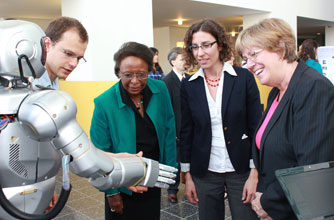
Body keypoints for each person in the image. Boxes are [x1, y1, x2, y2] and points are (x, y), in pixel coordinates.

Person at [235, 18, 334, 220]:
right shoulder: (276, 92)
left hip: (302, 210)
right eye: (245, 58)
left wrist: (267, 202)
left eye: (254, 54)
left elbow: (310, 166)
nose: (249, 65)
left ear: (280, 47)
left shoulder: (313, 88)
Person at [180, 19, 262, 220]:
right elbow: (186, 131)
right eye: (195, 47)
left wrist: (255, 172)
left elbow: (256, 128)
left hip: (241, 168)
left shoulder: (243, 78)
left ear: (221, 45)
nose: (200, 53)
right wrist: (187, 176)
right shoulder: (189, 85)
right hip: (205, 170)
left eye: (206, 45)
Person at [90, 41, 177, 220]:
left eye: (142, 75)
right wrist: (111, 193)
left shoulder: (159, 89)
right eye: (128, 75)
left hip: (152, 174)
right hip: (121, 181)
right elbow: (99, 152)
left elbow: (169, 129)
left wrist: (169, 172)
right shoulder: (104, 103)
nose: (135, 81)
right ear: (118, 73)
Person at [33, 16, 88, 89]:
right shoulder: (29, 86)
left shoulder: (53, 81)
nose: (74, 64)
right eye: (68, 53)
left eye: (79, 58)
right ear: (47, 44)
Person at [162, 47, 187, 203]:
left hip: (191, 127)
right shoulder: (167, 82)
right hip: (176, 129)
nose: (186, 62)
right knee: (175, 162)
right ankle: (172, 190)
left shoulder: (190, 79)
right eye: (182, 59)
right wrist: (173, 130)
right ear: (173, 62)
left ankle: (193, 186)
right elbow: (166, 109)